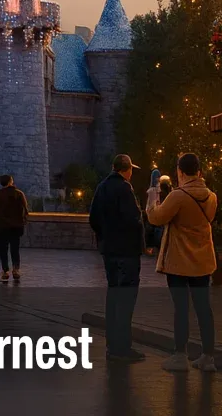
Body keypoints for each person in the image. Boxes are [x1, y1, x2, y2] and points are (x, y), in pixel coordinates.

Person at [147, 153, 218, 373]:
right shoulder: (211, 197)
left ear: (180, 171)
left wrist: (152, 199)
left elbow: (156, 218)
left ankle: (180, 355)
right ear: (199, 171)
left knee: (181, 308)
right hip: (202, 261)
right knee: (204, 309)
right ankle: (208, 356)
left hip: (179, 262)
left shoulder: (178, 196)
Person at [89, 154, 147, 363]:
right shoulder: (124, 188)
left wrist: (105, 237)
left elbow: (93, 218)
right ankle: (122, 348)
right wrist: (140, 241)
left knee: (113, 298)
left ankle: (112, 345)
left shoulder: (102, 187)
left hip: (109, 251)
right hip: (126, 252)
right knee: (125, 300)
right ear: (126, 169)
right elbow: (134, 219)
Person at [0, 173, 29, 282]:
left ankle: (5, 270)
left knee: (3, 249)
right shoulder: (19, 194)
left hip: (3, 226)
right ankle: (16, 269)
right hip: (16, 226)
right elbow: (25, 210)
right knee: (15, 248)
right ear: (10, 181)